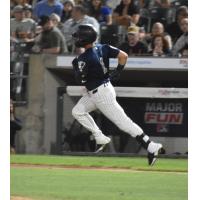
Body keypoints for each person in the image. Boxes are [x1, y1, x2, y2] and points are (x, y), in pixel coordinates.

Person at [71, 24, 163, 165]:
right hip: (101, 90)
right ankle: (100, 136)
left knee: (123, 123)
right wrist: (118, 71)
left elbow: (81, 80)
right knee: (77, 111)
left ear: (85, 38)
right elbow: (123, 56)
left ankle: (151, 146)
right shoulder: (103, 47)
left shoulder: (84, 57)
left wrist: (76, 67)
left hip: (101, 94)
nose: (77, 38)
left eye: (79, 35)